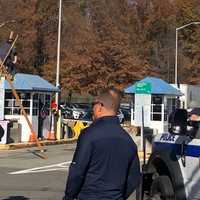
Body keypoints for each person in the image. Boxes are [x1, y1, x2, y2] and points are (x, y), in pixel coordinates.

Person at [63, 88, 141, 200]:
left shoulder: (89, 135)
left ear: (100, 107)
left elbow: (77, 171)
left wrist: (69, 196)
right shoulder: (128, 141)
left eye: (93, 104)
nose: (92, 108)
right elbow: (134, 178)